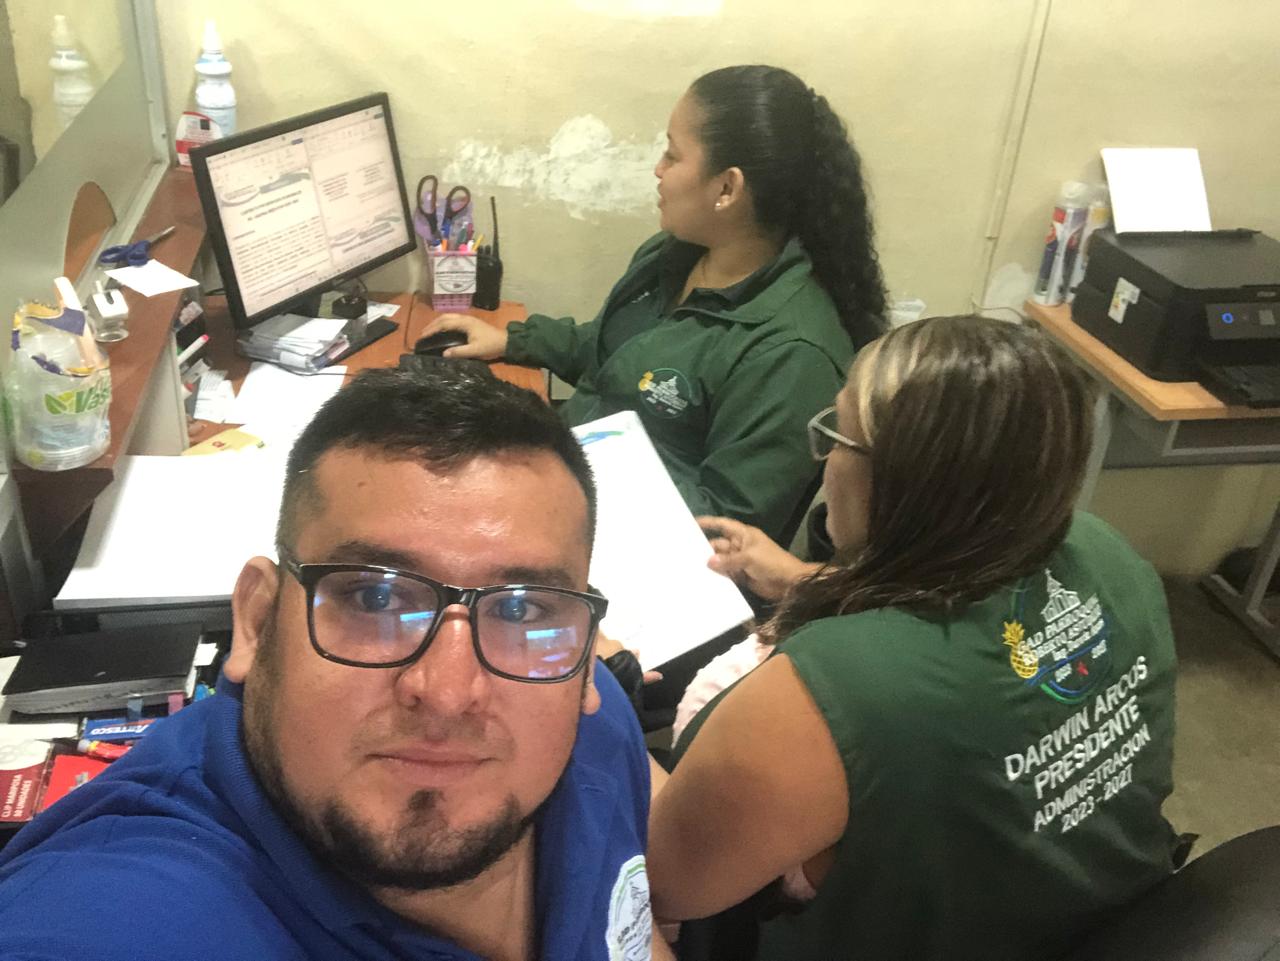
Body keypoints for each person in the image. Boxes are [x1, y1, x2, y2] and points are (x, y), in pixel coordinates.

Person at [0, 365, 670, 961]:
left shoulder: (586, 719)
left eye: (520, 610)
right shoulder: (127, 915)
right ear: (257, 621)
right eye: (376, 598)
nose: (447, 691)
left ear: (585, 649)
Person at [647, 316, 1184, 961]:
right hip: (1100, 922)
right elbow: (966, 614)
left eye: (836, 435)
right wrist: (802, 578)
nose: (825, 461)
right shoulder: (1102, 551)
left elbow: (662, 882)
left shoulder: (827, 691)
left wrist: (589, 687)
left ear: (903, 482)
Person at [422, 64, 886, 543]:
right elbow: (610, 353)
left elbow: (727, 528)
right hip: (568, 488)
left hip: (635, 544)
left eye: (672, 154)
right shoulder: (674, 255)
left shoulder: (792, 352)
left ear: (727, 188)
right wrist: (513, 340)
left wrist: (569, 472)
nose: (658, 170)